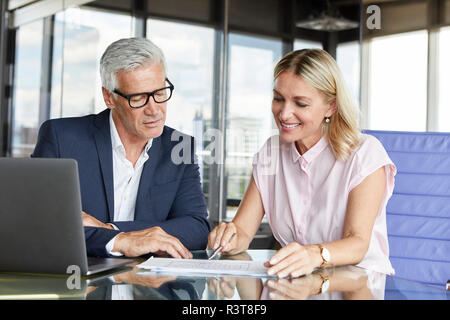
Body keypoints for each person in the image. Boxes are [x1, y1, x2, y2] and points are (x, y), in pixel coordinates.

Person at [208, 49, 396, 279]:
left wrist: (315, 255)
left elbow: (357, 243)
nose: (285, 113)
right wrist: (228, 238)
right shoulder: (272, 151)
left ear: (331, 106)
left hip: (357, 283)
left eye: (301, 104)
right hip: (298, 283)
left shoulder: (365, 153)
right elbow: (243, 231)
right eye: (278, 99)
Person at [32, 37, 210, 258]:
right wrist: (120, 242)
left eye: (160, 93)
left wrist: (114, 233)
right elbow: (40, 222)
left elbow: (196, 228)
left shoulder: (180, 146)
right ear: (109, 97)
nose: (154, 110)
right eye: (138, 98)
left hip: (148, 289)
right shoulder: (61, 138)